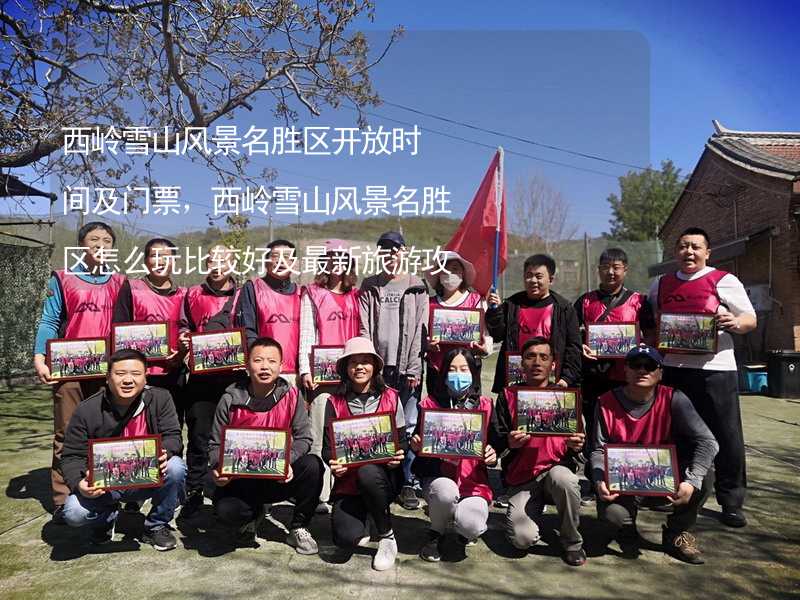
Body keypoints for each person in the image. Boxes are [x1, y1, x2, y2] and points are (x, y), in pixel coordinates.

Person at [648, 227, 756, 528]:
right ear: (675, 251)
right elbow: (652, 323)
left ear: (708, 252)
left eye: (696, 247)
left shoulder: (724, 280)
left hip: (715, 369)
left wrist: (734, 321)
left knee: (727, 436)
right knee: (674, 434)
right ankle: (669, 490)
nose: (689, 252)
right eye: (683, 246)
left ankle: (731, 500)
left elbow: (750, 319)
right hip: (674, 370)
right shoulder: (660, 284)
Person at [32, 221, 126, 524]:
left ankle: (109, 496)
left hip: (109, 373)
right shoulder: (63, 278)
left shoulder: (121, 283)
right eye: (93, 239)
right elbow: (49, 321)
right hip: (69, 370)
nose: (100, 245)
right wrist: (39, 357)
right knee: (66, 433)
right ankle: (63, 499)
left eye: (107, 240)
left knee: (110, 434)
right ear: (81, 245)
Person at [590, 345, 719, 564]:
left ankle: (678, 531)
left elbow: (708, 441)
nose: (642, 370)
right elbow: (597, 449)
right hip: (623, 481)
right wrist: (599, 478)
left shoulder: (674, 398)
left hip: (664, 480)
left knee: (705, 477)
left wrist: (691, 481)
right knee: (614, 517)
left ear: (660, 373)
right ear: (625, 371)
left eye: (650, 366)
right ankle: (626, 526)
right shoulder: (605, 402)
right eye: (635, 365)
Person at [61, 349, 186, 550]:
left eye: (136, 374)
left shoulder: (161, 398)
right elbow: (71, 456)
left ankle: (156, 525)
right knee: (74, 513)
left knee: (176, 467)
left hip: (147, 477)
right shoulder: (87, 409)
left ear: (146, 377)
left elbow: (173, 436)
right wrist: (79, 483)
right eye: (120, 374)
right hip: (104, 485)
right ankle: (104, 520)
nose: (128, 380)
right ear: (108, 378)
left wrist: (165, 452)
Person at [208, 337, 323, 554]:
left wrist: (289, 461)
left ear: (281, 366)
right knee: (227, 511)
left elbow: (304, 438)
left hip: (278, 476)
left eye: (271, 361)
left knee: (313, 465)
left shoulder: (291, 395)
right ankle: (251, 517)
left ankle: (298, 526)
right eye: (258, 360)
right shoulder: (229, 399)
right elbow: (215, 444)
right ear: (246, 364)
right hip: (241, 479)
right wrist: (218, 468)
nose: (264, 366)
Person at [493, 337, 587, 566]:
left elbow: (581, 443)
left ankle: (572, 542)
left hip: (556, 471)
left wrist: (577, 446)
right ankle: (534, 511)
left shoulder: (567, 398)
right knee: (522, 539)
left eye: (544, 357)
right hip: (523, 478)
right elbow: (496, 441)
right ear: (521, 363)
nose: (537, 362)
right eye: (530, 356)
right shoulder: (508, 396)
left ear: (553, 365)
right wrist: (509, 443)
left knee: (565, 480)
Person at [321, 337, 406, 571]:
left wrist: (398, 455)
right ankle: (365, 516)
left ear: (375, 367)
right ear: (345, 369)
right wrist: (333, 463)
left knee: (369, 473)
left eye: (365, 361)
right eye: (353, 362)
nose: (359, 367)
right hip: (348, 481)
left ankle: (387, 536)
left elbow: (403, 442)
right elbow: (328, 448)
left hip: (382, 478)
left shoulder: (392, 396)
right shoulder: (334, 402)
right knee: (347, 538)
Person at [360, 231, 429, 510]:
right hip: (379, 368)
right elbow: (364, 326)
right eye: (385, 250)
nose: (390, 255)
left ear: (404, 252)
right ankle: (380, 480)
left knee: (408, 424)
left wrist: (413, 367)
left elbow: (420, 330)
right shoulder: (370, 285)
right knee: (378, 424)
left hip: (407, 369)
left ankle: (407, 482)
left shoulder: (418, 286)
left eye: (395, 250)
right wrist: (370, 362)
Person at [410, 348, 500, 562]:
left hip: (473, 481)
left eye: (463, 369)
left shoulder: (486, 405)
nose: (457, 375)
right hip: (439, 478)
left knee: (472, 523)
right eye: (452, 370)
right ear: (443, 374)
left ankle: (461, 536)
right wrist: (416, 445)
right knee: (446, 492)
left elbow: (496, 443)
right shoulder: (431, 404)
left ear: (473, 373)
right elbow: (418, 444)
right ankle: (436, 532)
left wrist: (493, 454)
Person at [178, 244, 244, 519]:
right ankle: (193, 491)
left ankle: (232, 489)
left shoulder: (243, 294)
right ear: (206, 263)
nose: (217, 266)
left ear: (233, 262)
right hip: (201, 378)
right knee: (199, 436)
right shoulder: (192, 293)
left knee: (233, 436)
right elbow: (183, 325)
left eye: (224, 260)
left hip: (235, 378)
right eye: (212, 261)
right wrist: (184, 337)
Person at [298, 239, 361, 514]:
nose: (338, 263)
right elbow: (307, 333)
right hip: (323, 378)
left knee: (347, 437)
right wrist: (305, 369)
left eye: (343, 258)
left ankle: (346, 491)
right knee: (318, 436)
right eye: (332, 258)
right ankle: (319, 494)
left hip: (350, 377)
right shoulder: (312, 293)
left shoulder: (356, 295)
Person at [574, 248, 655, 430]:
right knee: (594, 421)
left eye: (615, 267)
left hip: (626, 376)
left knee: (624, 422)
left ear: (625, 270)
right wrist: (581, 347)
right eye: (605, 267)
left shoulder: (639, 301)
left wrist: (640, 348)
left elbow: (651, 334)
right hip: (592, 376)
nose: (610, 272)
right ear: (598, 270)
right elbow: (571, 335)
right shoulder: (585, 301)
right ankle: (593, 456)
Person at [113, 237, 188, 421]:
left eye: (166, 257)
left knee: (171, 425)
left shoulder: (185, 294)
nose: (161, 261)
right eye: (155, 256)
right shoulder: (131, 288)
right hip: (138, 373)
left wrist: (181, 352)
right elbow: (119, 328)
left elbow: (187, 329)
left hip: (173, 372)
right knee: (136, 424)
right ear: (146, 261)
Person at [486, 254, 582, 395]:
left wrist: (566, 379)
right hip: (515, 381)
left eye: (538, 276)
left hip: (552, 383)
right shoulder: (511, 304)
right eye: (529, 275)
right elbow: (497, 335)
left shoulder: (564, 308)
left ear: (551, 279)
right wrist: (495, 310)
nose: (533, 280)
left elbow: (573, 347)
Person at [423, 250, 493, 394]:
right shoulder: (428, 304)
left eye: (455, 269)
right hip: (437, 371)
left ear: (463, 274)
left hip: (468, 373)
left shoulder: (477, 302)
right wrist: (427, 346)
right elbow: (420, 337)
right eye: (445, 269)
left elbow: (487, 338)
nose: (449, 273)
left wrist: (484, 349)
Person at [236, 239, 302, 383]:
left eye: (286, 257)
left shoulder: (301, 293)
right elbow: (248, 330)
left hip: (295, 373)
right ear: (266, 262)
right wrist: (259, 364)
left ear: (294, 264)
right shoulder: (253, 287)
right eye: (275, 256)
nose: (281, 261)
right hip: (263, 372)